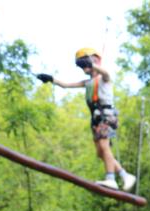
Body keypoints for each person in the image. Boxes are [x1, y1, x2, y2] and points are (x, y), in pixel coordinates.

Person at [36, 48, 136, 192]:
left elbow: (105, 73)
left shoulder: (104, 78)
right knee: (100, 152)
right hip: (95, 119)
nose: (85, 69)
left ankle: (111, 178)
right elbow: (66, 85)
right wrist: (51, 79)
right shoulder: (88, 82)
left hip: (105, 116)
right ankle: (124, 175)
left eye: (85, 65)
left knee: (104, 145)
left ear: (94, 61)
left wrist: (92, 64)